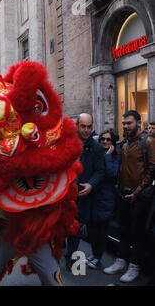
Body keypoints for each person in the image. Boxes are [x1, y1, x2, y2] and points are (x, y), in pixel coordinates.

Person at [103, 110, 155, 283]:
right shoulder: (124, 144)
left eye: (129, 123)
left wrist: (138, 191)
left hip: (140, 196)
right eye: (123, 123)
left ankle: (134, 266)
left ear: (139, 123)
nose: (125, 126)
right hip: (124, 194)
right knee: (123, 230)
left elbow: (152, 170)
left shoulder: (148, 141)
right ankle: (121, 261)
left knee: (138, 233)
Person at [65, 113, 105, 271]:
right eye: (83, 126)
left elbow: (100, 170)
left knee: (77, 228)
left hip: (83, 195)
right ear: (77, 126)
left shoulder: (96, 147)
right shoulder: (67, 142)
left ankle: (71, 258)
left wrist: (91, 185)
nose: (87, 130)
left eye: (89, 126)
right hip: (65, 193)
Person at [85, 129, 119, 269]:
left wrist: (108, 156)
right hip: (94, 196)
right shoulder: (96, 154)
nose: (105, 141)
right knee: (92, 229)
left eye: (108, 139)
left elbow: (112, 173)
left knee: (101, 231)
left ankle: (98, 257)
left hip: (106, 198)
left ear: (113, 143)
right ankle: (94, 254)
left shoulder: (115, 156)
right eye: (102, 139)